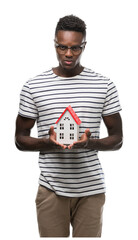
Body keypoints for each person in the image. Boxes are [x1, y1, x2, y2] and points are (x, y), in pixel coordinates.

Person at [15, 15, 123, 237]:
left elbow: (118, 139)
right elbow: (19, 139)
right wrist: (48, 142)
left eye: (75, 48)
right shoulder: (33, 86)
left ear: (84, 45)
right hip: (51, 189)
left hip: (91, 190)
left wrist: (88, 143)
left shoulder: (104, 85)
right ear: (54, 43)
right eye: (62, 47)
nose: (68, 54)